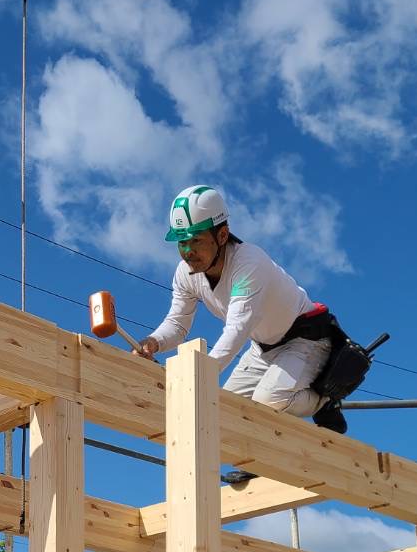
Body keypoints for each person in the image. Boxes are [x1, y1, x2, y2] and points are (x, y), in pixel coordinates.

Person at [134, 184, 350, 433]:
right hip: (262, 348)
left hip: (306, 340)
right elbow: (177, 322)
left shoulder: (248, 263)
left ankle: (324, 400)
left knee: (268, 401)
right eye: (182, 242)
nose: (188, 252)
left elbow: (237, 328)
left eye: (196, 240)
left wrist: (199, 377)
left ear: (222, 235)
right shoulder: (186, 274)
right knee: (225, 410)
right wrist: (153, 343)